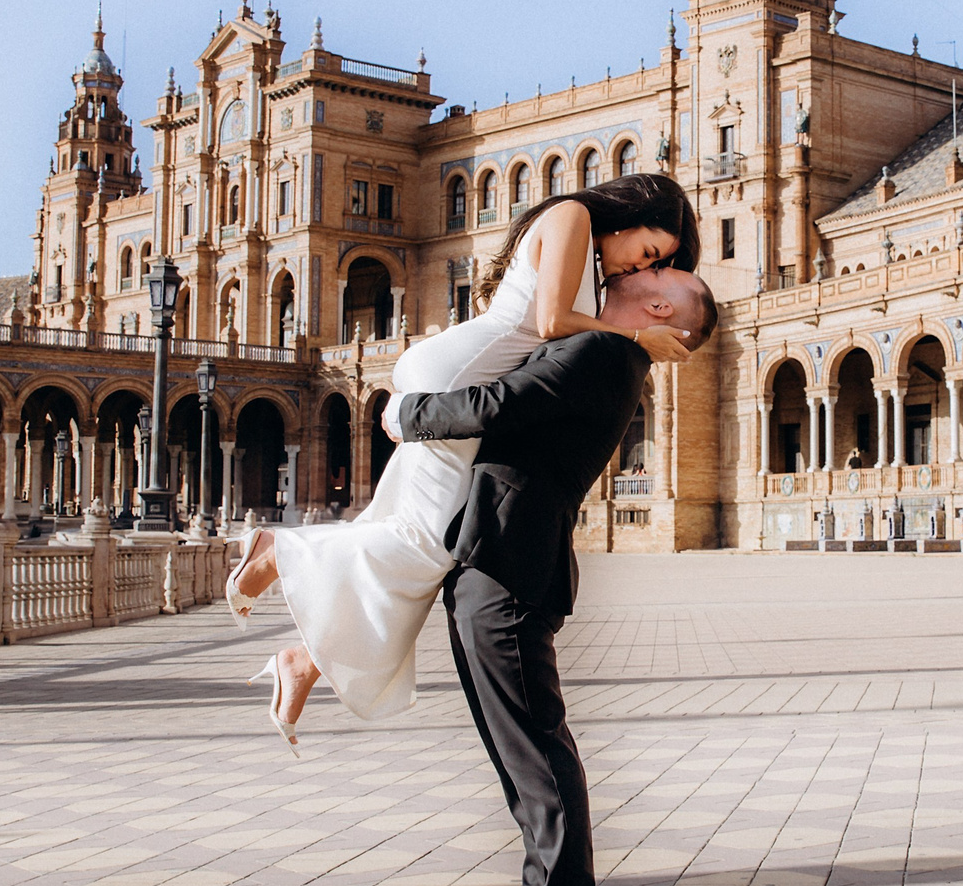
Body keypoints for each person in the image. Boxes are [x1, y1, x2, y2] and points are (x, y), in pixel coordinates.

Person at [222, 174, 699, 742]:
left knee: (426, 532)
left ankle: (308, 660)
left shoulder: (594, 261)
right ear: (629, 215)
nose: (633, 268)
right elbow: (550, 325)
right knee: (426, 540)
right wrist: (639, 340)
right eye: (647, 252)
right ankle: (281, 551)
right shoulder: (574, 215)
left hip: (467, 369)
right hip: (465, 374)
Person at [388, 264, 720, 886]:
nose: (641, 266)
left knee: (534, 739)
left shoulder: (604, 352)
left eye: (661, 270)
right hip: (495, 554)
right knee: (509, 739)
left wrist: (405, 414)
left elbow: (494, 403)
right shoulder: (602, 348)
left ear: (660, 305)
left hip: (512, 561)